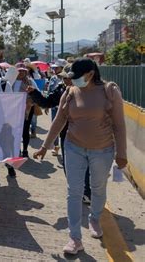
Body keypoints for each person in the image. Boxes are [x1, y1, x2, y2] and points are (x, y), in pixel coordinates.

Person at [33, 58, 127, 255]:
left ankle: (94, 217)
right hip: (73, 147)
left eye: (77, 77)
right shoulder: (69, 92)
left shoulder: (109, 91)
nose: (73, 81)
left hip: (102, 149)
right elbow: (59, 120)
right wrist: (45, 146)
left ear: (90, 74)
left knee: (98, 187)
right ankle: (75, 238)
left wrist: (122, 153)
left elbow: (119, 124)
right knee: (74, 191)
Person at [27, 64, 92, 204]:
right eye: (64, 78)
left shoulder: (90, 92)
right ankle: (76, 190)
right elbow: (47, 102)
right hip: (66, 135)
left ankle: (87, 192)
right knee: (68, 165)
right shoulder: (61, 89)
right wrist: (34, 93)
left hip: (86, 136)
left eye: (69, 78)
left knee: (85, 165)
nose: (66, 81)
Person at [12, 63, 38, 158]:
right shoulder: (10, 82)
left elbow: (37, 92)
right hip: (13, 110)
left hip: (27, 110)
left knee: (25, 130)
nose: (21, 72)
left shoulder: (30, 81)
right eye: (19, 70)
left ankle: (25, 150)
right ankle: (16, 149)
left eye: (23, 70)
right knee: (14, 131)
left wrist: (30, 101)